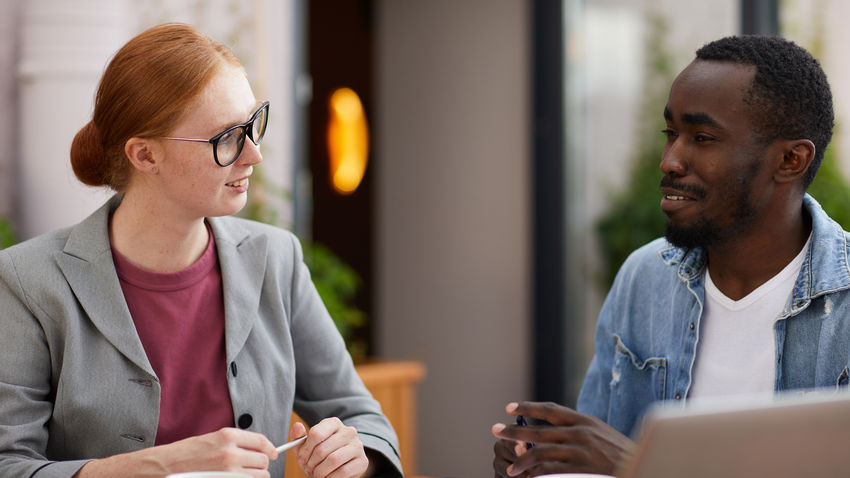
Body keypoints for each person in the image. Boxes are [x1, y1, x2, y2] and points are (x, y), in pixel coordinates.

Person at [0, 23, 402, 478]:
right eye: (227, 138)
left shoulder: (276, 258)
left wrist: (356, 457)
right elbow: (8, 464)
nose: (254, 155)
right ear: (145, 156)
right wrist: (157, 465)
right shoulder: (26, 280)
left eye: (254, 125)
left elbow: (363, 420)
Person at [492, 35, 850, 476]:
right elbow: (597, 459)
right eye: (671, 133)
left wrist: (643, 467)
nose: (670, 160)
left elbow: (622, 463)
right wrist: (550, 460)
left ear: (791, 160)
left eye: (701, 137)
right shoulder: (644, 277)